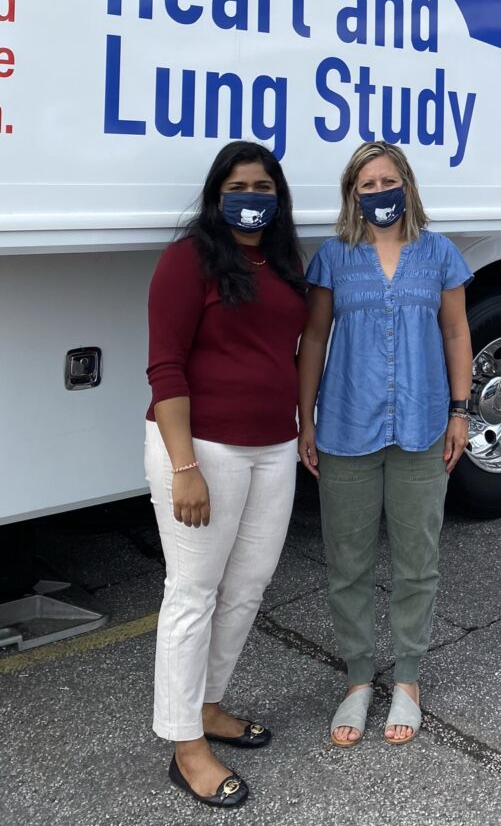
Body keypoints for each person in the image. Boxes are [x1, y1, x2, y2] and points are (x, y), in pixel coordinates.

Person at [144, 141, 308, 809]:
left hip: (274, 448)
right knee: (193, 592)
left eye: (264, 185)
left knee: (246, 588)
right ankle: (186, 746)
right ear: (217, 196)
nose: (252, 196)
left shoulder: (285, 261)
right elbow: (165, 365)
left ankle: (207, 707)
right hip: (200, 449)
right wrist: (184, 466)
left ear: (278, 195)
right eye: (239, 185)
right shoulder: (187, 261)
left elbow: (294, 349)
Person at [297, 141, 473, 747]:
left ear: (407, 185)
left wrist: (459, 411)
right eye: (366, 185)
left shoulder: (440, 254)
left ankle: (410, 679)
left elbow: (456, 331)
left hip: (423, 425)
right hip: (347, 426)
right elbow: (314, 338)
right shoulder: (333, 258)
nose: (378, 193)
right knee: (347, 562)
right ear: (352, 193)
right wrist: (306, 419)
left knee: (416, 559)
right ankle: (357, 678)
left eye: (387, 181)